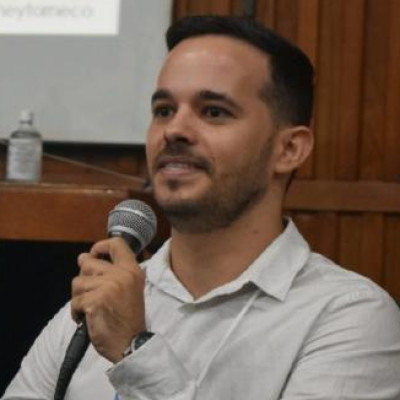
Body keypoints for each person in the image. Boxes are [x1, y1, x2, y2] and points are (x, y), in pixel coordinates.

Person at [3, 15, 400, 400]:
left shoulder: (347, 316)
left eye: (213, 111)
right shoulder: (104, 299)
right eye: (163, 110)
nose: (174, 130)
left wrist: (134, 350)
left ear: (289, 149)